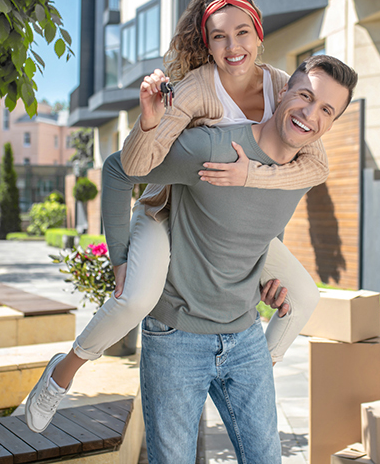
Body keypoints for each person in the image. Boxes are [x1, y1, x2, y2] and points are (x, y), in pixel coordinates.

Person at [24, 0, 328, 434]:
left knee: (303, 297)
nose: (234, 46)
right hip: (167, 213)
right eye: (220, 36)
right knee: (137, 300)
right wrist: (121, 254)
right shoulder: (195, 90)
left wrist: (256, 238)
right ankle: (61, 373)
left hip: (231, 228)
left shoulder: (284, 89)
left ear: (259, 35)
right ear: (206, 42)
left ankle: (245, 375)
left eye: (243, 33)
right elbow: (125, 168)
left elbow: (312, 168)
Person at [103, 55, 357, 463]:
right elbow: (119, 171)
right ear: (282, 92)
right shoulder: (212, 147)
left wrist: (261, 277)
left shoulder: (305, 169)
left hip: (245, 338)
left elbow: (264, 226)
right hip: (176, 337)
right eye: (305, 96)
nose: (311, 113)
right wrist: (120, 260)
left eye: (326, 109)